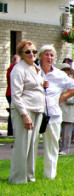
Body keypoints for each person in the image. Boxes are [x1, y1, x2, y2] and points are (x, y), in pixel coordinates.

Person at [8, 40, 46, 184]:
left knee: (33, 145)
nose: (32, 54)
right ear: (21, 54)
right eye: (28, 52)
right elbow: (16, 96)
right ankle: (17, 178)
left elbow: (37, 83)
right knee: (22, 144)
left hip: (37, 109)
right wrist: (24, 115)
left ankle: (30, 176)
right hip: (24, 110)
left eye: (34, 51)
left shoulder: (35, 68)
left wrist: (43, 83)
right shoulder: (18, 69)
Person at [39, 45, 74, 178]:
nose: (49, 58)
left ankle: (50, 175)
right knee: (32, 145)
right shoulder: (34, 71)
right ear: (40, 56)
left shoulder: (58, 74)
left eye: (51, 55)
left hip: (53, 113)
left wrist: (62, 97)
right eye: (46, 54)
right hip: (35, 112)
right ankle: (29, 174)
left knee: (52, 144)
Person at [58, 63, 74, 155]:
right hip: (57, 110)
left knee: (66, 132)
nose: (66, 72)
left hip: (68, 110)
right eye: (64, 70)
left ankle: (65, 149)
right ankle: (55, 148)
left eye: (67, 70)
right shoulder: (56, 82)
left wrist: (68, 99)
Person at [5, 54, 19, 137]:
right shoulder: (14, 68)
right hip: (11, 93)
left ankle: (11, 131)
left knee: (12, 111)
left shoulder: (11, 68)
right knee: (13, 111)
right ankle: (11, 131)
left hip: (10, 92)